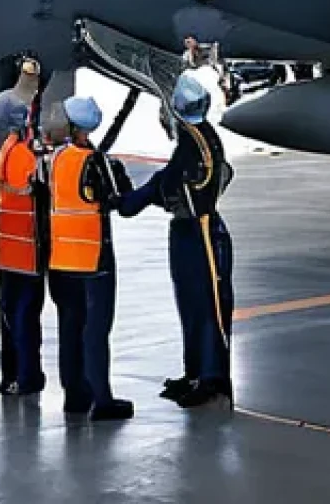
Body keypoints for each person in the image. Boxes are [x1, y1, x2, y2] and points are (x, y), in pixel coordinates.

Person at [118, 72, 235, 409]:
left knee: (204, 306)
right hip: (201, 229)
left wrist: (129, 198)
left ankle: (209, 377)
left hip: (196, 233)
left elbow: (169, 186)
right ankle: (196, 372)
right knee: (194, 305)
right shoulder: (205, 136)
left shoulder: (190, 144)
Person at [47, 95, 135, 422]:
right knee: (96, 332)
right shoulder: (101, 165)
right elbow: (123, 203)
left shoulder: (55, 160)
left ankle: (75, 395)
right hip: (93, 260)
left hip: (60, 261)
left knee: (70, 328)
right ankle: (103, 399)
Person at [0, 79, 48, 397]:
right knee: (26, 319)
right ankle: (26, 377)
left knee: (11, 317)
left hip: (9, 251)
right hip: (27, 250)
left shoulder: (5, 151)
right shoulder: (24, 156)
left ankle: (12, 375)